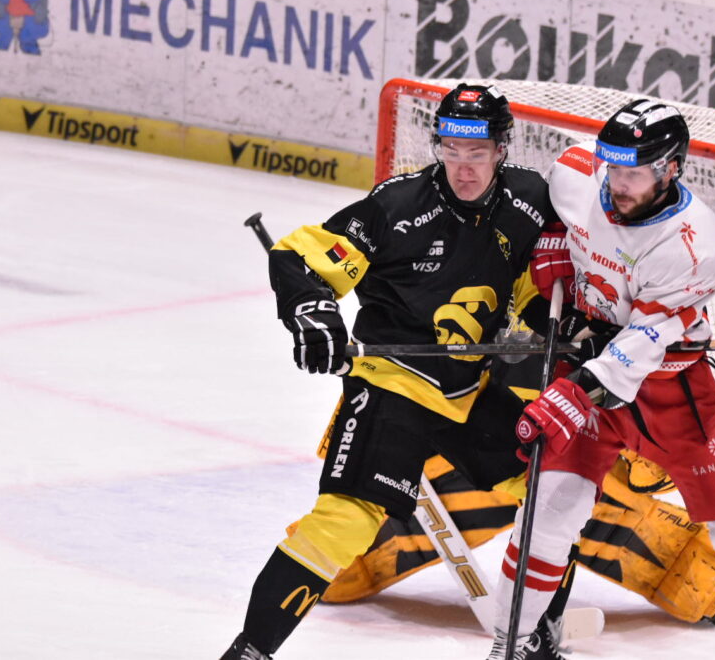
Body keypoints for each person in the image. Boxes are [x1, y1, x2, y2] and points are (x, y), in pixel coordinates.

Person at [219, 83, 569, 660]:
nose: (462, 168)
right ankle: (250, 652)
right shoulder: (397, 206)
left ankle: (538, 636)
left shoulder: (531, 199)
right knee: (345, 522)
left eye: (476, 153)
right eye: (451, 151)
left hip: (470, 388)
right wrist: (313, 312)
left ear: (502, 148)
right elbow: (300, 257)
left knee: (558, 484)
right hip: (392, 385)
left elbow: (542, 282)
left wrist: (565, 324)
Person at [486, 100, 715, 660]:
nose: (617, 184)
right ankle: (508, 644)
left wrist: (570, 395)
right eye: (612, 168)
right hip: (588, 366)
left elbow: (635, 350)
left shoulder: (697, 247)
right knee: (547, 513)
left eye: (633, 174)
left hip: (669, 389)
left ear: (671, 167)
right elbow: (550, 202)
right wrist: (552, 240)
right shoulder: (579, 172)